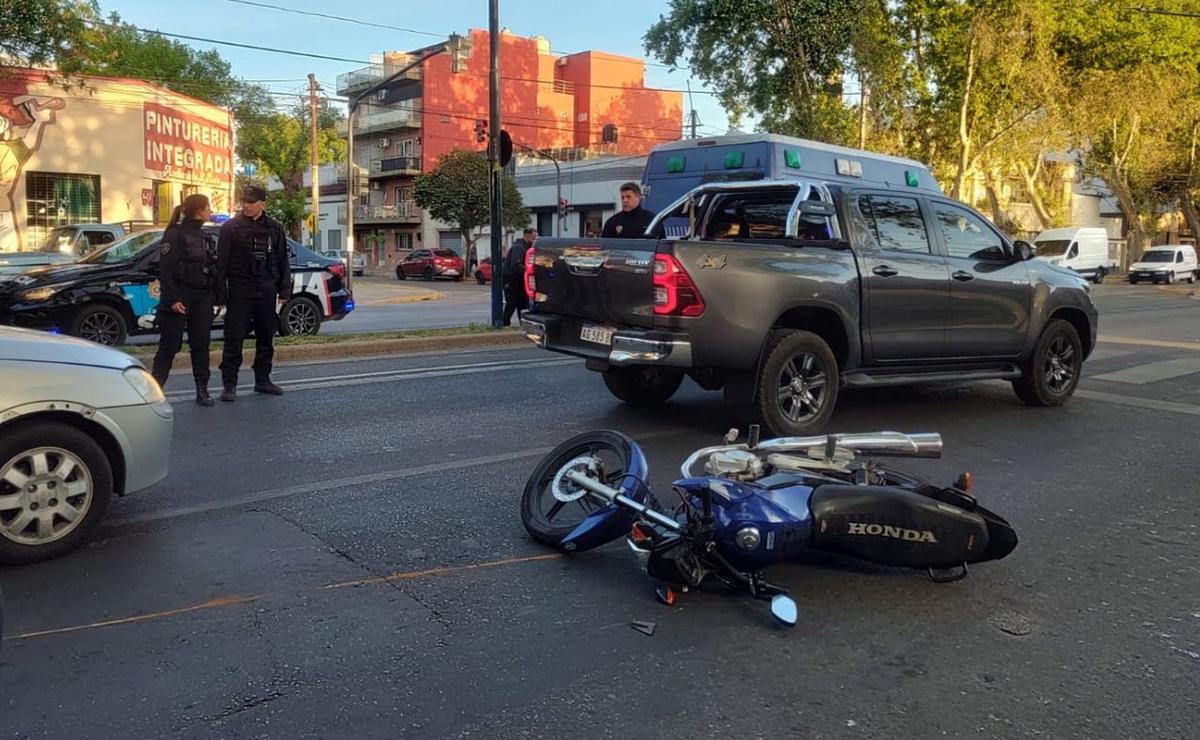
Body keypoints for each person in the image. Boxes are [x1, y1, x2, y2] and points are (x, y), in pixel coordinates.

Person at [216, 185, 291, 401]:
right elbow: (221, 263)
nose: (246, 206)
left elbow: (282, 261)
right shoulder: (231, 227)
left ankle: (263, 380)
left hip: (266, 289)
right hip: (240, 290)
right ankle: (229, 385)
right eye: (244, 202)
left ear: (262, 204)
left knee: (266, 337)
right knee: (234, 338)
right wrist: (220, 294)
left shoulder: (274, 228)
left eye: (251, 202)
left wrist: (284, 289)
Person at [150, 194, 221, 406]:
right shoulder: (174, 234)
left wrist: (217, 297)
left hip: (202, 297)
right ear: (199, 210)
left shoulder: (205, 236)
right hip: (180, 297)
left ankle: (202, 390)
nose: (210, 211)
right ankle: (153, 391)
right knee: (169, 346)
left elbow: (213, 269)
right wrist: (172, 299)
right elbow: (166, 269)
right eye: (208, 207)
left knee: (201, 345)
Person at [502, 227, 536, 326]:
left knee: (522, 303)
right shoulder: (518, 247)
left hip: (519, 280)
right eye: (533, 237)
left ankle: (523, 324)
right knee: (512, 303)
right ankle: (504, 323)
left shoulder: (526, 248)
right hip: (512, 279)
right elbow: (516, 265)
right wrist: (528, 273)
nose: (534, 240)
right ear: (527, 235)